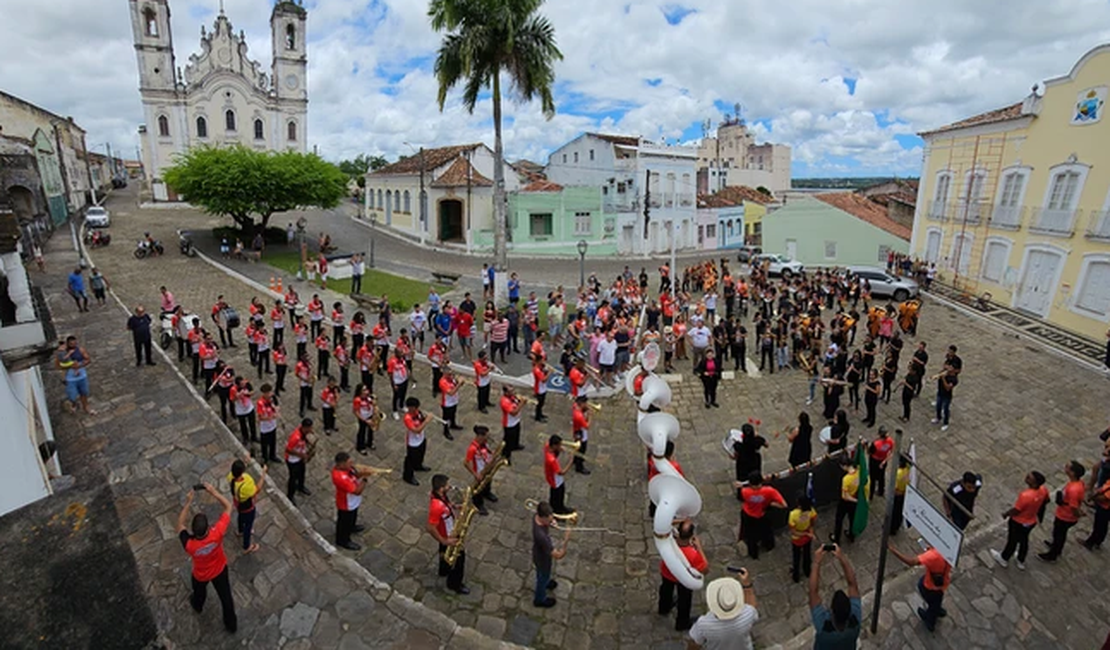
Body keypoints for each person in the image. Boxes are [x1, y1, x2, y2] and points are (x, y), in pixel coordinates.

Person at [176, 483, 237, 633]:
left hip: (201, 574)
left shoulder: (190, 545)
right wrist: (213, 492)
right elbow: (228, 506)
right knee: (226, 598)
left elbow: (179, 524)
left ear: (193, 531)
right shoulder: (217, 534)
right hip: (220, 569)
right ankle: (231, 625)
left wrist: (188, 502)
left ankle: (198, 605)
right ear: (208, 527)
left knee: (199, 592)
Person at [990, 471, 1049, 570]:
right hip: (1031, 521)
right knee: (1024, 540)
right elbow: (1046, 500)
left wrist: (1006, 514)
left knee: (1012, 541)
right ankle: (1020, 559)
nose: (1026, 477)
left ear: (1034, 483)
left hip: (1018, 522)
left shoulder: (1026, 495)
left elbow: (1017, 510)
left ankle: (1004, 558)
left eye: (1029, 478)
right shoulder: (1043, 490)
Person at [888, 539, 950, 633]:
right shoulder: (948, 551)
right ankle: (937, 610)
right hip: (942, 583)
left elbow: (911, 562)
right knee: (937, 601)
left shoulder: (932, 556)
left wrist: (893, 550)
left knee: (930, 598)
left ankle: (930, 620)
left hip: (930, 586)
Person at [659, 520, 709, 631]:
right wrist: (699, 547)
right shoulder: (693, 554)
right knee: (684, 599)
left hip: (667, 573)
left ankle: (664, 608)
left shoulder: (668, 539)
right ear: (691, 536)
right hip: (683, 579)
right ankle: (682, 623)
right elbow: (705, 569)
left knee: (666, 590)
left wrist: (682, 520)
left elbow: (667, 522)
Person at [687, 572, 758, 650]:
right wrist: (747, 584)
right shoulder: (748, 615)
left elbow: (694, 644)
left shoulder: (703, 625)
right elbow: (752, 605)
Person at [809, 544, 861, 647]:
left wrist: (816, 562)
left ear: (831, 610)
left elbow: (813, 592)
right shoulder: (855, 619)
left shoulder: (823, 626)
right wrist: (842, 557)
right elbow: (853, 585)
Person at [427, 474, 469, 594]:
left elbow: (445, 505)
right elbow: (430, 527)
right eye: (447, 485)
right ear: (441, 489)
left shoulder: (440, 495)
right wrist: (444, 540)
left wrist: (454, 506)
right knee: (459, 559)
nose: (449, 487)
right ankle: (455, 584)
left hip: (448, 530)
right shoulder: (437, 506)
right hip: (448, 535)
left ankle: (444, 570)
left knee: (444, 552)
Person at [1038, 460, 1086, 562]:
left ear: (1073, 473)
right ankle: (1056, 547)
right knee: (1059, 534)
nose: (1065, 467)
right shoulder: (1078, 483)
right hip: (1064, 513)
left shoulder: (1074, 489)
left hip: (1065, 516)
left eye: (1068, 467)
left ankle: (1053, 554)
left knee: (1059, 534)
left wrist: (1078, 514)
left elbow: (1073, 507)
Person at [735, 472, 786, 559]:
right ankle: (768, 545)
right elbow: (783, 505)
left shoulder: (745, 491)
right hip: (762, 515)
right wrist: (770, 503)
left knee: (751, 536)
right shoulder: (769, 491)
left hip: (748, 515)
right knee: (766, 532)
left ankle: (753, 553)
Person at [532, 501, 570, 608]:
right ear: (543, 517)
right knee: (542, 577)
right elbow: (558, 555)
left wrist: (552, 522)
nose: (550, 521)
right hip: (542, 559)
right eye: (548, 519)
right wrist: (566, 541)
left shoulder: (536, 516)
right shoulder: (542, 537)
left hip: (539, 554)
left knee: (544, 574)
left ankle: (547, 582)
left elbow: (548, 521)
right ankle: (539, 600)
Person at [228, 457, 266, 554]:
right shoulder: (245, 487)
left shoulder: (230, 477)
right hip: (247, 507)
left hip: (238, 504)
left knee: (240, 517)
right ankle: (246, 546)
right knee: (248, 525)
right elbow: (257, 489)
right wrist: (263, 474)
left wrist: (246, 461)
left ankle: (240, 531)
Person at [332, 452, 369, 550]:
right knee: (344, 522)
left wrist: (362, 473)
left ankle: (351, 527)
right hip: (346, 504)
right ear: (341, 464)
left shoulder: (347, 469)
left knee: (352, 517)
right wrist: (365, 479)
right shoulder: (340, 477)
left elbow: (354, 475)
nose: (351, 464)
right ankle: (343, 540)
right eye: (349, 463)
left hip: (352, 502)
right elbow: (357, 491)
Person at [56, 336, 96, 415]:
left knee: (84, 393)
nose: (73, 345)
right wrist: (70, 366)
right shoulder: (62, 354)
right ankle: (74, 404)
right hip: (70, 378)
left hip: (82, 376)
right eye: (71, 344)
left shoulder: (80, 350)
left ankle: (86, 407)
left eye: (75, 343)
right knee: (72, 395)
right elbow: (58, 366)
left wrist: (80, 366)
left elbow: (88, 359)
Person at [465, 426, 499, 515]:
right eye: (486, 436)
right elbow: (466, 463)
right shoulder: (472, 448)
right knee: (478, 489)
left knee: (488, 482)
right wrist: (475, 474)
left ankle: (487, 493)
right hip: (480, 471)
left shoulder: (484, 443)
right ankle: (478, 504)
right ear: (480, 436)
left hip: (487, 468)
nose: (488, 438)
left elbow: (487, 452)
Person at [832, 458, 867, 544]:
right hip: (854, 497)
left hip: (846, 502)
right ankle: (851, 535)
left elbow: (844, 496)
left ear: (845, 466)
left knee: (839, 519)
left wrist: (854, 500)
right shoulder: (859, 471)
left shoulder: (846, 479)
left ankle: (836, 538)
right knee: (852, 518)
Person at [402, 397, 431, 486]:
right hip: (413, 442)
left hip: (421, 438)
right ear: (410, 408)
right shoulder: (407, 418)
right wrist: (427, 421)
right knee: (410, 460)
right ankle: (408, 476)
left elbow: (421, 420)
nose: (417, 409)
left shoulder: (417, 412)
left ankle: (418, 466)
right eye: (415, 408)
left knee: (421, 454)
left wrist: (424, 418)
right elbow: (416, 430)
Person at [788, 495, 817, 583]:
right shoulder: (811, 511)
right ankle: (807, 571)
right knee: (807, 554)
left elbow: (793, 531)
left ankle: (796, 576)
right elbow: (812, 524)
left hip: (797, 539)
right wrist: (809, 533)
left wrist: (805, 534)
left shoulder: (793, 514)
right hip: (807, 538)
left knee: (796, 557)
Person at [284, 418, 314, 504]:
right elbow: (288, 450)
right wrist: (301, 455)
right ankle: (290, 495)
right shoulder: (295, 437)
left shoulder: (302, 431)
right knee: (293, 478)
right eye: (310, 428)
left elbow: (304, 438)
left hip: (300, 458)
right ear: (305, 428)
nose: (311, 430)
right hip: (292, 460)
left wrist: (308, 442)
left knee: (302, 473)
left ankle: (301, 487)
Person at [545, 435, 574, 514]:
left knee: (556, 496)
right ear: (554, 446)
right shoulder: (552, 460)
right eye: (559, 445)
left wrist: (560, 449)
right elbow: (562, 472)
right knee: (558, 496)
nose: (560, 446)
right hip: (555, 480)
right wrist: (570, 462)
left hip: (552, 477)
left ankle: (560, 507)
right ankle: (558, 511)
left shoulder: (547, 446)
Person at [256, 383, 281, 463]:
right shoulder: (260, 403)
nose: (271, 394)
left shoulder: (272, 399)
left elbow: (276, 406)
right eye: (269, 393)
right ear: (265, 393)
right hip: (265, 428)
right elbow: (260, 417)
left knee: (273, 441)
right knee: (265, 444)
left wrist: (277, 409)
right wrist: (271, 417)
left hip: (273, 425)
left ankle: (272, 455)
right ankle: (265, 458)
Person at [868, 427, 894, 498]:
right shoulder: (890, 441)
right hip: (883, 461)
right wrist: (884, 461)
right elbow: (891, 452)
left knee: (872, 478)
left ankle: (871, 494)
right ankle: (881, 490)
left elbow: (870, 452)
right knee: (881, 476)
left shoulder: (876, 444)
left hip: (874, 461)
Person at [500, 385, 525, 461]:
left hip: (516, 421)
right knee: (508, 440)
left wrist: (520, 400)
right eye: (510, 391)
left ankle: (515, 445)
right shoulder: (504, 401)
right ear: (505, 392)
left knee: (517, 434)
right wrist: (522, 404)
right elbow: (513, 412)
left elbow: (517, 403)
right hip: (509, 424)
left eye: (513, 390)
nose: (513, 392)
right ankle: (506, 455)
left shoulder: (512, 397)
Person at [890, 455, 911, 536]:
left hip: (898, 494)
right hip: (904, 493)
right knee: (899, 512)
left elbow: (894, 487)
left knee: (894, 511)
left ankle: (892, 528)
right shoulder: (908, 469)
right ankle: (897, 526)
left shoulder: (898, 473)